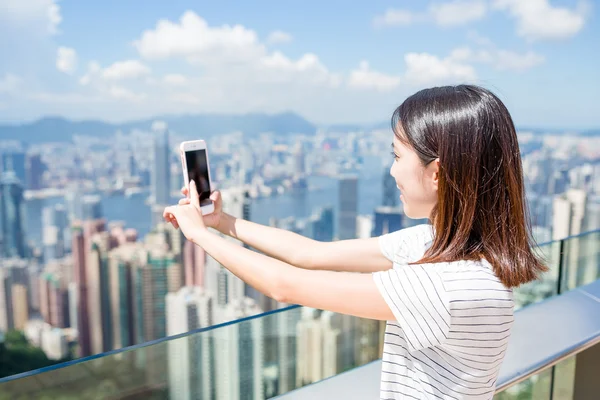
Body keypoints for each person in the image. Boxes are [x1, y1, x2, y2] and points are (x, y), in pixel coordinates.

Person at [164, 84, 547, 400]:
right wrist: (222, 222)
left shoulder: (449, 284)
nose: (391, 169)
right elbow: (310, 254)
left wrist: (197, 234)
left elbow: (285, 286)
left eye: (397, 156)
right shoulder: (440, 245)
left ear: (436, 174)